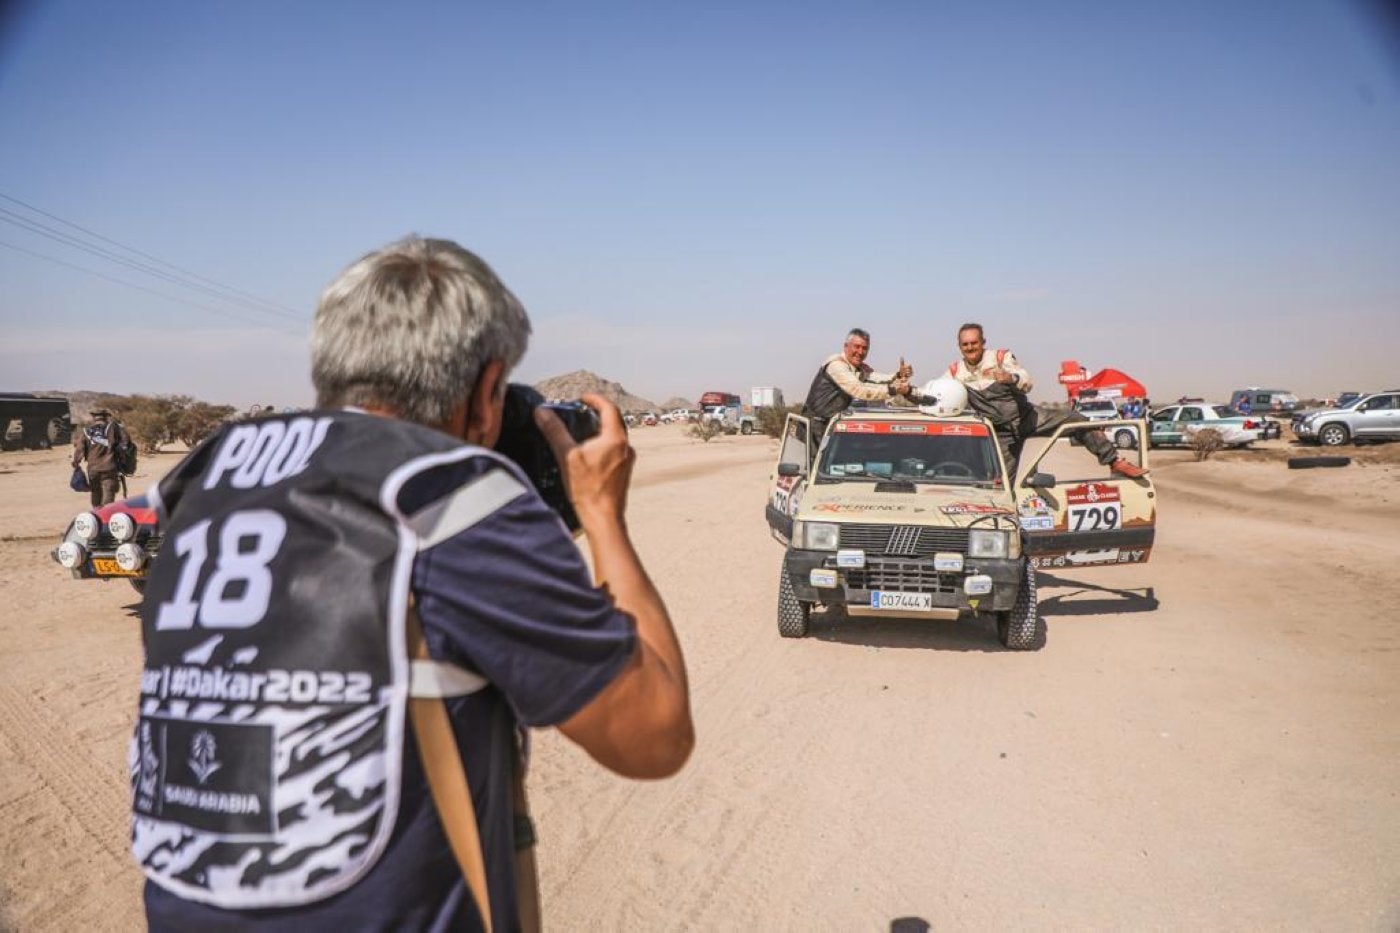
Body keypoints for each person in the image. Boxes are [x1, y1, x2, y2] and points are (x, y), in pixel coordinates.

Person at [132, 236, 694, 931]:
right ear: (487, 391)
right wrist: (602, 514)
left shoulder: (207, 478)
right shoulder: (444, 498)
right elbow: (655, 735)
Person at [944, 322, 1147, 482]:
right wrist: (910, 389)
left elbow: (1025, 379)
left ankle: (1114, 461)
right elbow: (935, 394)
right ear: (959, 346)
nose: (970, 347)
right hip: (1002, 434)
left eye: (974, 343)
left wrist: (1010, 378)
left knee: (1077, 419)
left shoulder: (1000, 357)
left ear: (983, 342)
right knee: (1003, 483)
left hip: (1029, 417)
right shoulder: (955, 372)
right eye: (965, 344)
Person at [802, 328, 914, 449]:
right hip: (814, 427)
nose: (860, 352)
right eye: (857, 347)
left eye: (864, 348)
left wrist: (898, 375)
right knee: (816, 465)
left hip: (833, 424)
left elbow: (877, 378)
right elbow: (859, 390)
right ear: (846, 346)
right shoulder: (836, 365)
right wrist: (894, 390)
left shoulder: (858, 367)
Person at [71, 408, 126, 506]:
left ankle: (96, 516)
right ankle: (105, 517)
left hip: (93, 469)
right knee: (108, 494)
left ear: (93, 418)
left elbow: (79, 450)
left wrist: (76, 463)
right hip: (110, 468)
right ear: (106, 417)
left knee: (95, 493)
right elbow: (125, 445)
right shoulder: (114, 429)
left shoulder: (86, 431)